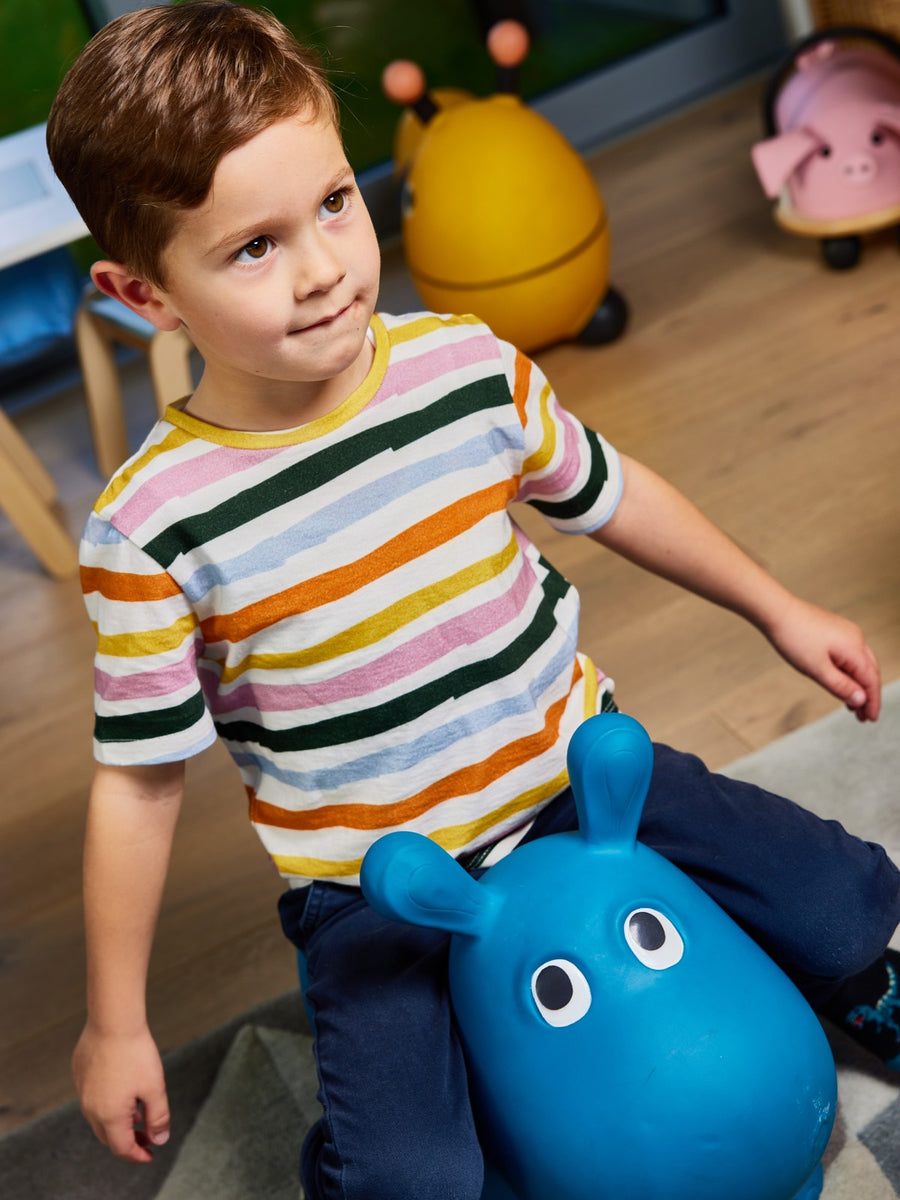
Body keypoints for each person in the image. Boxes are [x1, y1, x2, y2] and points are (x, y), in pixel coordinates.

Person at [47, 3, 900, 1195]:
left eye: (334, 202)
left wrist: (778, 609)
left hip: (582, 788)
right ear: (144, 293)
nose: (324, 268)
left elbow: (614, 495)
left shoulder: (464, 368)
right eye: (254, 248)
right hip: (377, 889)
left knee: (842, 904)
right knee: (416, 1179)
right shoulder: (152, 524)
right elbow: (140, 784)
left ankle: (835, 982)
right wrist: (116, 1021)